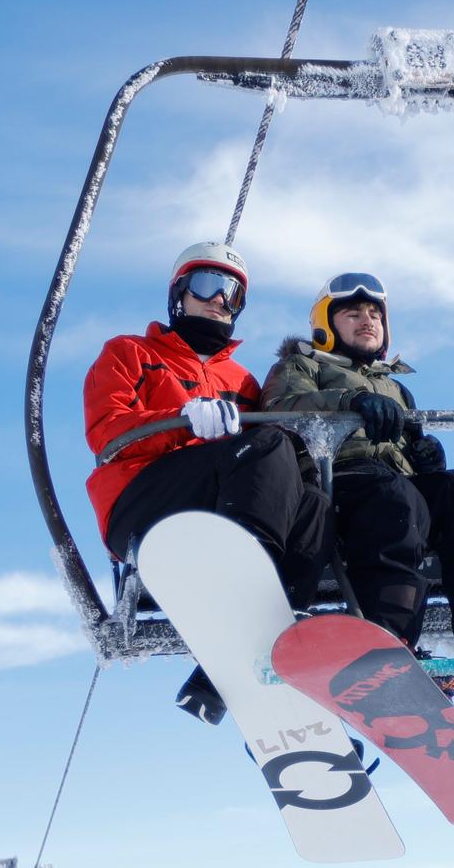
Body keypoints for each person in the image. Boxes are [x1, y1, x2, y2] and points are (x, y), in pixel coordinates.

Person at [262, 273, 454, 703]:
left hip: (397, 485)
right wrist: (348, 403)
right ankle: (390, 644)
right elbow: (281, 408)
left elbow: (411, 441)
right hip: (338, 480)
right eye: (352, 313)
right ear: (326, 324)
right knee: (395, 499)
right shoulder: (301, 366)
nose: (367, 320)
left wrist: (425, 453)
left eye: (375, 313)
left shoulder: (397, 387)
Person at [84, 242, 332, 724]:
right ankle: (252, 596)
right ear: (179, 293)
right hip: (143, 503)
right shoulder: (129, 352)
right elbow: (105, 431)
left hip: (215, 503)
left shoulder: (240, 380)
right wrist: (181, 420)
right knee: (265, 446)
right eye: (206, 285)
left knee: (314, 505)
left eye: (233, 293)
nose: (219, 299)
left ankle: (254, 660)